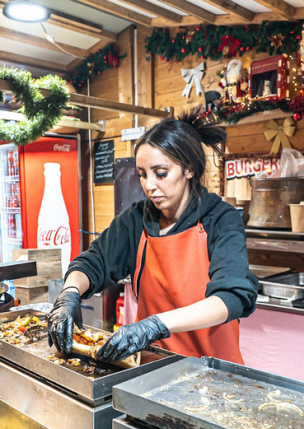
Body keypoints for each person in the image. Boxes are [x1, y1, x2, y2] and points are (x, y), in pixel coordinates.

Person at [48, 112, 258, 364]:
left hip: (212, 369)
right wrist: (70, 293)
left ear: (189, 169)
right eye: (142, 174)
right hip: (153, 367)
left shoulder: (220, 219)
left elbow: (231, 297)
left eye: (160, 174)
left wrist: (155, 325)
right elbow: (93, 262)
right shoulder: (136, 220)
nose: (148, 185)